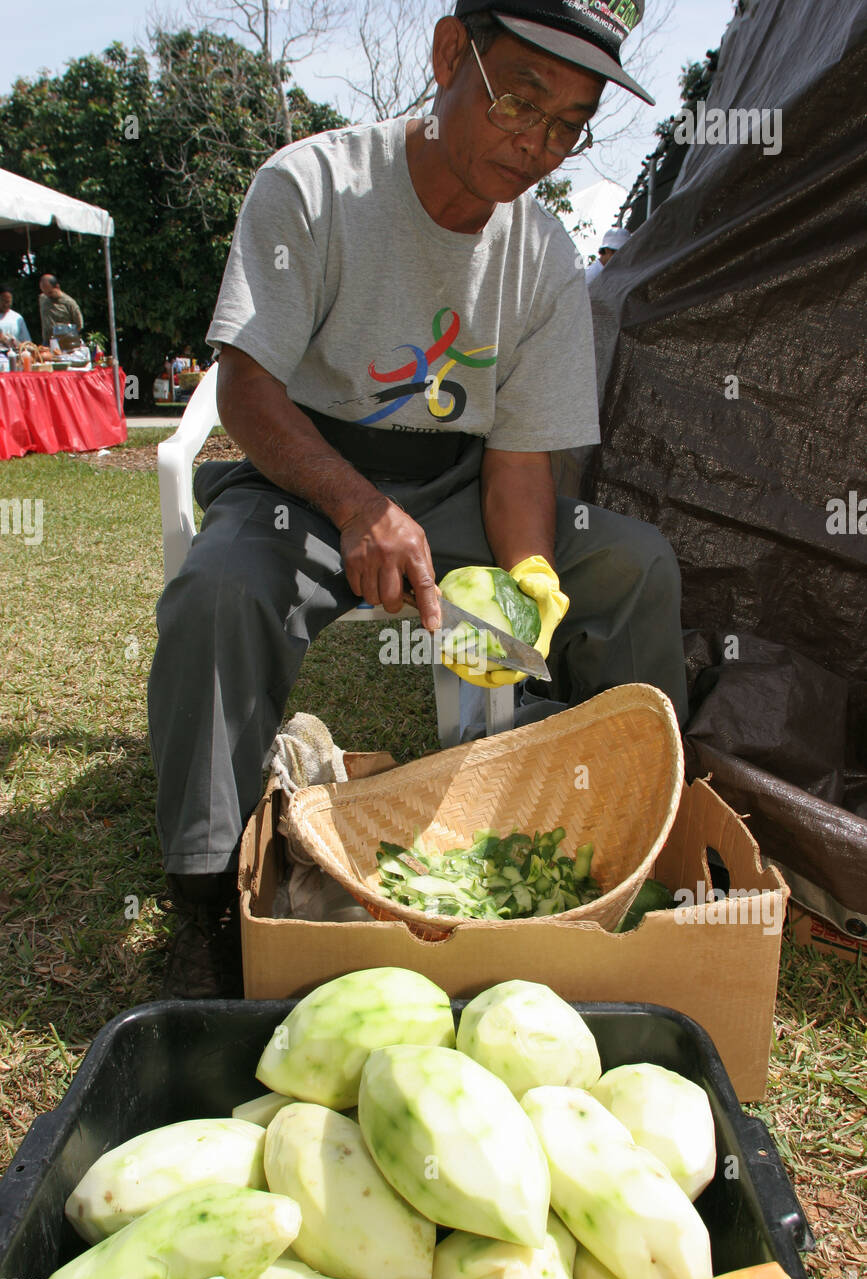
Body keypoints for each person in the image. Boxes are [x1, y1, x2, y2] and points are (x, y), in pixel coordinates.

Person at [147, 0, 688, 997]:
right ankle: (204, 892)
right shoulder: (311, 185)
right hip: (301, 476)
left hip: (462, 483)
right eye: (521, 97)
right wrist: (354, 505)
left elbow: (520, 461)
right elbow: (247, 386)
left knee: (634, 564)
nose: (538, 142)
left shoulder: (547, 255)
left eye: (570, 123)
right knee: (219, 594)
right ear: (451, 53)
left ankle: (627, 851)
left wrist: (524, 575)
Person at [38, 274, 84, 346]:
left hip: (64, 344)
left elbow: (79, 325)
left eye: (50, 292)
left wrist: (67, 336)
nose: (47, 296)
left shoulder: (69, 303)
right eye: (45, 293)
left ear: (57, 287)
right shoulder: (43, 298)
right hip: (47, 342)